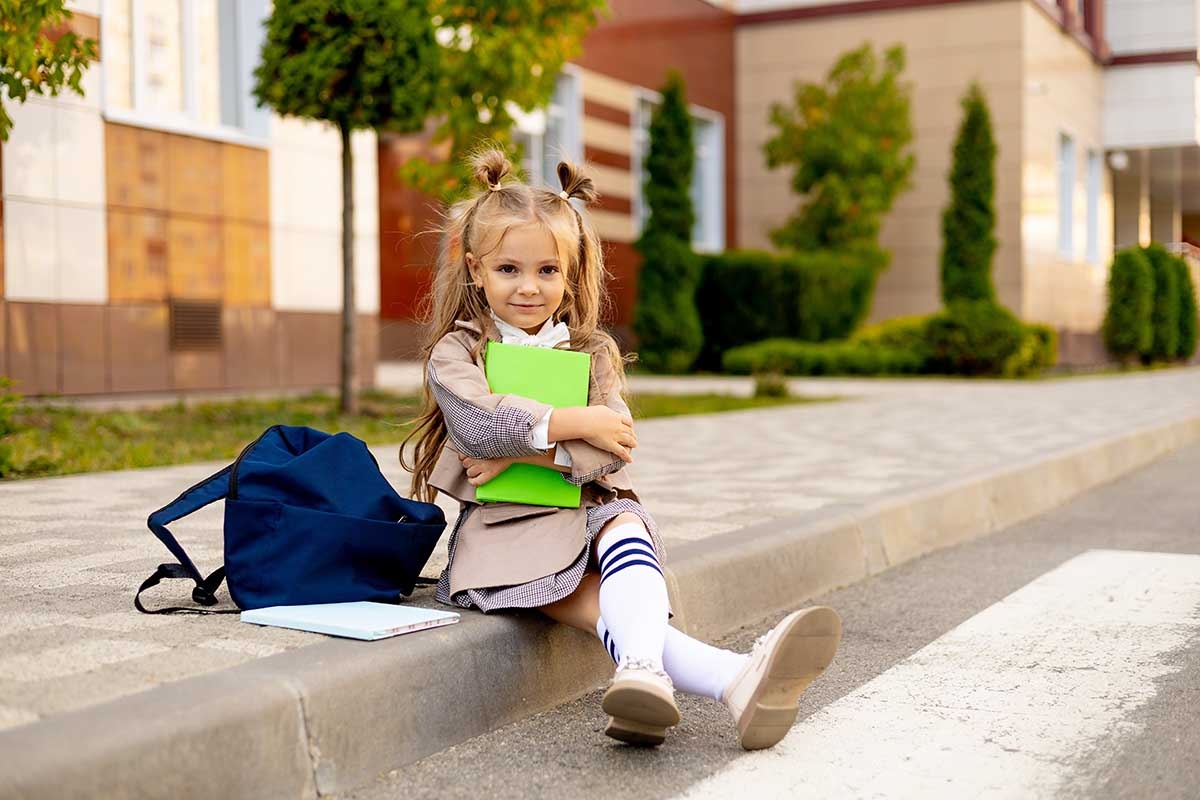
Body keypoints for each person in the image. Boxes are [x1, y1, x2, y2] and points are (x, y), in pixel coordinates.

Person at [401, 148, 841, 749]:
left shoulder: (591, 351)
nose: (529, 287)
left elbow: (615, 449)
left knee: (625, 522)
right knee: (602, 608)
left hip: (585, 512)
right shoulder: (458, 353)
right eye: (508, 269)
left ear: (569, 271)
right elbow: (478, 429)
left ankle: (646, 675)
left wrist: (524, 452)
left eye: (547, 270)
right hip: (504, 536)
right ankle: (729, 677)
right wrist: (578, 420)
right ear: (476, 270)